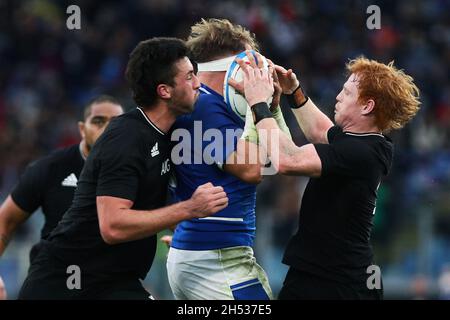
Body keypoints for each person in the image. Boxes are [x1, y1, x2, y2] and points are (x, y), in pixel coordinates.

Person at [18, 37, 228, 300]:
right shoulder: (127, 138)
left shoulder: (168, 133)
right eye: (189, 77)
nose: (197, 83)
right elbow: (113, 225)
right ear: (164, 91)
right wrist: (190, 209)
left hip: (113, 282)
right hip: (65, 285)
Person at [237, 53, 420, 299]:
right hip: (323, 275)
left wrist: (258, 102)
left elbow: (287, 160)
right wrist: (294, 90)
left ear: (367, 106)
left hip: (336, 284)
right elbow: (320, 130)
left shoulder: (360, 152)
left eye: (346, 93)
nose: (337, 96)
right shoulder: (366, 142)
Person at [166, 18, 290, 300]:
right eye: (253, 69)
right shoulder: (205, 105)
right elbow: (254, 169)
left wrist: (268, 109)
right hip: (217, 259)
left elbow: (282, 160)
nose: (259, 77)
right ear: (235, 67)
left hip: (209, 253)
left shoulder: (209, 104)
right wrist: (256, 106)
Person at [0, 95, 124, 298]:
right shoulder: (51, 168)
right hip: (54, 277)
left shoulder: (138, 170)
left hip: (111, 280)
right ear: (82, 129)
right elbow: (6, 219)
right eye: (98, 121)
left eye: (115, 123)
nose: (107, 129)